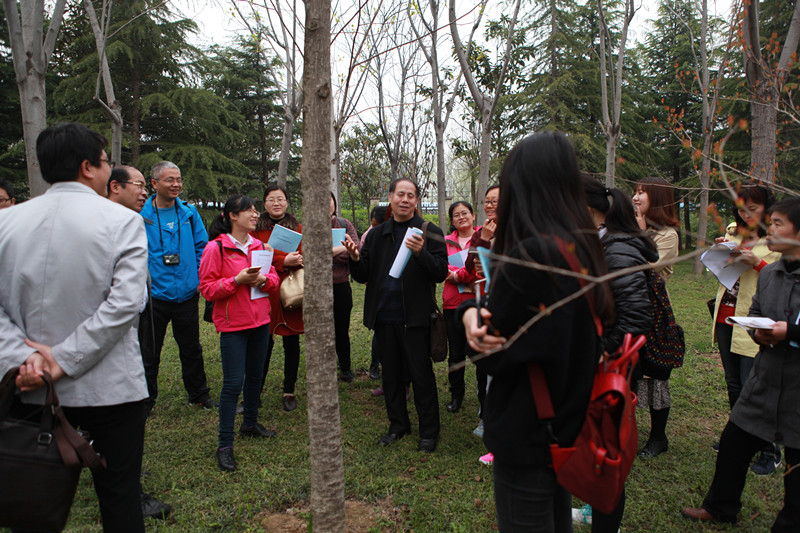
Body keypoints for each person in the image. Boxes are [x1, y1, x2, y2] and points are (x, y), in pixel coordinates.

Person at [459, 131, 614, 532]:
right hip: (565, 424)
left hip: (528, 430)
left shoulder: (532, 256)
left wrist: (470, 316)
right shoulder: (580, 248)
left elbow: (493, 350)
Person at [0, 122, 149, 531]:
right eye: (105, 162)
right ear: (87, 167)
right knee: (120, 499)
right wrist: (63, 360)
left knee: (29, 499)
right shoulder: (122, 222)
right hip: (110, 387)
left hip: (29, 385)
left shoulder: (6, 223)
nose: (108, 170)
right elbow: (125, 304)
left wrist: (27, 358)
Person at [681, 198, 800, 531]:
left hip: (797, 386)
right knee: (735, 441)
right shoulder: (771, 273)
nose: (769, 229)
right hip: (766, 377)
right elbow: (757, 311)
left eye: (778, 224)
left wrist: (789, 332)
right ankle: (721, 507)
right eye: (770, 222)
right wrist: (760, 333)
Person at [344, 178, 448, 453]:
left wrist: (421, 253)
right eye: (400, 194)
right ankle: (398, 425)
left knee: (421, 376)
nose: (405, 199)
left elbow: (440, 272)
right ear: (390, 197)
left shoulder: (430, 231)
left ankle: (429, 432)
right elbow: (363, 276)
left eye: (410, 195)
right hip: (385, 317)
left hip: (416, 318)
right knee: (390, 376)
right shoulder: (377, 234)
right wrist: (355, 259)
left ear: (416, 200)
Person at [583, 176, 658, 533]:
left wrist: (599, 352)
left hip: (609, 369)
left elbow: (635, 319)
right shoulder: (598, 243)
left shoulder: (617, 248)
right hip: (598, 365)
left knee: (607, 457)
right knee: (592, 452)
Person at [106, 166, 172, 520]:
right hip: (113, 338)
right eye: (140, 185)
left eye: (146, 185)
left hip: (136, 325)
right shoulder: (107, 224)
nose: (144, 191)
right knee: (121, 417)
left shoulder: (130, 220)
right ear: (114, 186)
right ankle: (129, 493)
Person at [199, 195, 281, 472]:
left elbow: (273, 280)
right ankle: (225, 445)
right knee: (233, 384)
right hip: (233, 326)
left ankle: (250, 424)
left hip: (260, 322)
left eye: (256, 210)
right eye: (249, 210)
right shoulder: (216, 248)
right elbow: (207, 289)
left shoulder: (260, 246)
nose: (255, 214)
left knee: (255, 377)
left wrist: (263, 279)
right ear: (233, 216)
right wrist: (237, 280)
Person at [709, 183, 781, 474]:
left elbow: (783, 277)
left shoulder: (775, 239)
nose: (746, 214)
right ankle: (738, 437)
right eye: (742, 209)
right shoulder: (733, 233)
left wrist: (758, 263)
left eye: (753, 208)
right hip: (726, 315)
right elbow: (723, 272)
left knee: (754, 385)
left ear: (766, 209)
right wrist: (721, 253)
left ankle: (769, 449)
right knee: (734, 384)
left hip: (755, 320)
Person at [139, 161, 215, 411]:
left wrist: (196, 277)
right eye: (170, 180)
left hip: (186, 294)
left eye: (178, 179)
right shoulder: (142, 216)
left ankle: (199, 395)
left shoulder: (189, 214)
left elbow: (202, 248)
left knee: (191, 348)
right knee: (150, 351)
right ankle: (146, 401)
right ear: (154, 183)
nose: (176, 184)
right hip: (155, 296)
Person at [632, 176, 680, 458]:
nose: (635, 197)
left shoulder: (668, 235)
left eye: (642, 193)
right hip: (630, 310)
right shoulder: (633, 229)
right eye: (635, 192)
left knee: (656, 376)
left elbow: (647, 268)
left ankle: (658, 437)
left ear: (658, 198)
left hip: (655, 314)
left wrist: (639, 234)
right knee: (632, 372)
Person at [252, 184, 304, 412]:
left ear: (286, 202)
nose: (276, 203)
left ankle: (288, 391)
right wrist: (283, 260)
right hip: (265, 291)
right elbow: (254, 255)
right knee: (263, 342)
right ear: (264, 203)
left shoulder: (297, 227)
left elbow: (304, 254)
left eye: (280, 199)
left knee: (292, 342)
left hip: (292, 290)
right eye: (271, 199)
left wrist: (293, 259)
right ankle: (255, 391)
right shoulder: (256, 228)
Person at [442, 201, 479, 414]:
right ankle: (456, 395)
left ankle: (484, 396)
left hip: (477, 302)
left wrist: (459, 275)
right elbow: (442, 267)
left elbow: (481, 269)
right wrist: (464, 275)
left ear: (473, 216)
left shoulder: (483, 238)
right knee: (455, 353)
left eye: (465, 213)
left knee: (479, 352)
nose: (461, 217)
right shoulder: (445, 241)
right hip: (453, 303)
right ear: (452, 220)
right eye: (456, 215)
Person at [330, 192, 360, 382]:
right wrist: (341, 249)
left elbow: (355, 250)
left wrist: (329, 251)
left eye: (329, 200)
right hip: (316, 287)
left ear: (334, 202)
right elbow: (308, 254)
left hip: (340, 285)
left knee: (342, 329)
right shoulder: (308, 226)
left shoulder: (344, 224)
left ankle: (346, 368)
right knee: (321, 330)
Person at [363, 205, 387, 382]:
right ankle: (375, 364)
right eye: (372, 224)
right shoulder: (370, 235)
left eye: (376, 224)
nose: (373, 228)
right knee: (379, 331)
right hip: (376, 290)